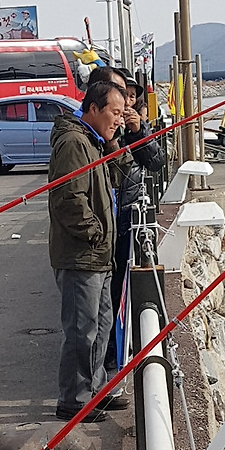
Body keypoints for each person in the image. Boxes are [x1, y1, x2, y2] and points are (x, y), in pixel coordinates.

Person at [47, 78, 128, 422]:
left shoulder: (94, 141)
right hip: (82, 255)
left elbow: (120, 176)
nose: (120, 119)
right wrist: (95, 233)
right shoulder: (74, 143)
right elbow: (69, 199)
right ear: (93, 108)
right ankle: (74, 400)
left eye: (123, 113)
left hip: (99, 255)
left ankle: (94, 391)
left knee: (101, 325)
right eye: (115, 112)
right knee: (82, 331)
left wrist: (114, 142)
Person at [104, 84, 164, 380]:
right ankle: (111, 356)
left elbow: (156, 161)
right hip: (114, 217)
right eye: (122, 96)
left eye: (131, 96)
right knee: (112, 290)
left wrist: (138, 132)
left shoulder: (139, 126)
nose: (127, 103)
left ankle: (119, 352)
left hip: (132, 213)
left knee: (123, 288)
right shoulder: (104, 131)